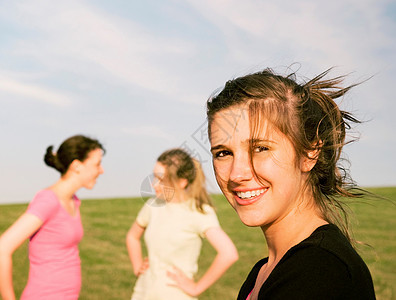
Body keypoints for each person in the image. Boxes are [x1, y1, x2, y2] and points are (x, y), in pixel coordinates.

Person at [206, 68, 376, 299]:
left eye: (261, 148)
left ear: (309, 153)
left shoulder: (320, 272)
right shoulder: (264, 272)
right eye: (223, 153)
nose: (237, 174)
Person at [0, 135, 105, 300]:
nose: (101, 170)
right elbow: (3, 247)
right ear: (77, 166)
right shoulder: (48, 201)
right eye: (97, 164)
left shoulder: (73, 201)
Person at [126, 148, 238, 300]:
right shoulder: (153, 205)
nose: (153, 184)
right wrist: (137, 265)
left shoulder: (199, 212)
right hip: (143, 293)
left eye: (161, 179)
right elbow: (132, 236)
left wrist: (196, 288)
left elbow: (229, 254)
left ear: (182, 182)